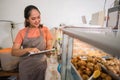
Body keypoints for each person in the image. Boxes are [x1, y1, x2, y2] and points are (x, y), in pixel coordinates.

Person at [11, 5, 53, 80]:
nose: (37, 20)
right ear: (27, 19)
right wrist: (28, 50)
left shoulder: (45, 30)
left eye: (38, 17)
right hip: (26, 68)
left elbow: (49, 44)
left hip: (41, 67)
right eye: (33, 18)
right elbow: (14, 52)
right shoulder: (22, 32)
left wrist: (49, 49)